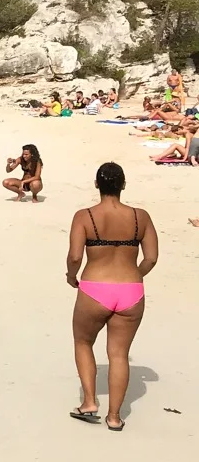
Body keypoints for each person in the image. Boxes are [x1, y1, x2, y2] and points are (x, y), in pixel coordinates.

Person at [66, 163, 158, 431]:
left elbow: (74, 256)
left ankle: (90, 403)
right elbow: (151, 258)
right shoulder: (141, 216)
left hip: (95, 287)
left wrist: (72, 277)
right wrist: (133, 275)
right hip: (131, 290)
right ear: (123, 185)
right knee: (119, 353)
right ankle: (115, 417)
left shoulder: (85, 216)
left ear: (96, 184)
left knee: (83, 342)